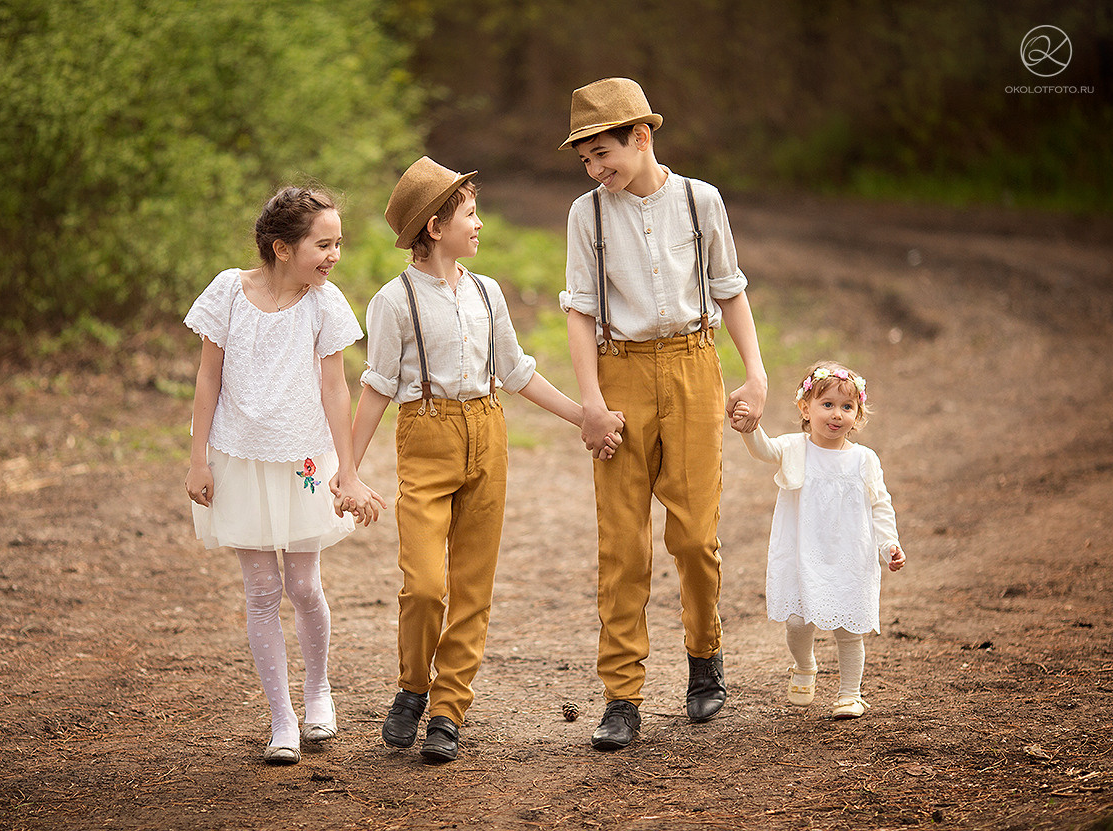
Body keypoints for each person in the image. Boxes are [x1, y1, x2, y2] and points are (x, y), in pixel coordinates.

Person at [349, 156, 612, 763]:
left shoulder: (487, 292)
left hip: (487, 436)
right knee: (423, 585)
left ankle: (448, 710)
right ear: (435, 227)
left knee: (472, 585)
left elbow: (516, 373)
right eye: (470, 214)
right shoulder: (393, 302)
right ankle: (413, 684)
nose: (480, 224)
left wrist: (584, 416)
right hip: (427, 434)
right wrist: (350, 467)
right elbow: (378, 386)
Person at [558, 77, 769, 750]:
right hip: (619, 374)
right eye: (585, 160)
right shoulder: (585, 215)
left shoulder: (699, 200)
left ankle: (704, 657)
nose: (596, 170)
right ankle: (621, 695)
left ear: (641, 136)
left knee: (694, 536)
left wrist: (754, 375)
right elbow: (579, 310)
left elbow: (728, 290)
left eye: (603, 154)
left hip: (691, 366)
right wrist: (591, 402)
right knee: (621, 543)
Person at [183, 185, 386, 765]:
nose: (333, 256)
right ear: (280, 247)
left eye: (337, 243)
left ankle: (318, 691)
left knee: (302, 586)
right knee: (261, 590)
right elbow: (207, 379)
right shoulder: (228, 291)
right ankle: (281, 719)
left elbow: (334, 387)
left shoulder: (325, 303)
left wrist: (348, 470)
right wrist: (198, 458)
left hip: (303, 461)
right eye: (322, 244)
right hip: (237, 458)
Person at [735, 361, 906, 719]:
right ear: (805, 408)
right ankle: (804, 664)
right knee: (798, 622)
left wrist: (888, 544)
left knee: (849, 628)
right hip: (803, 550)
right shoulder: (795, 449)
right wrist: (750, 428)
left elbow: (880, 504)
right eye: (827, 404)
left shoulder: (864, 460)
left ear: (857, 414)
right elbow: (763, 450)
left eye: (847, 407)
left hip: (849, 553)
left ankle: (849, 694)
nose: (837, 414)